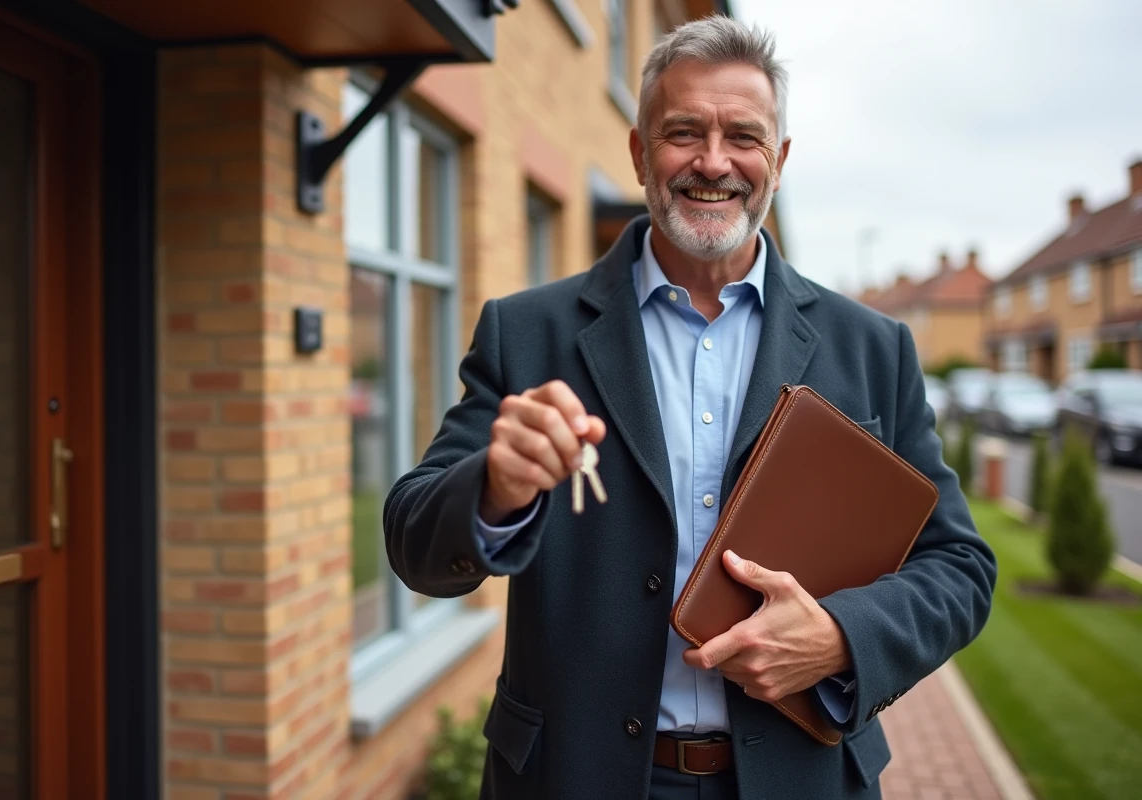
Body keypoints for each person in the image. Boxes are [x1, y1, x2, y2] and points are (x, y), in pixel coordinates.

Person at [384, 15, 996, 800]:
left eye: (743, 136)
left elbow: (961, 568)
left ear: (777, 160)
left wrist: (841, 639)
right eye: (683, 132)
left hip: (796, 778)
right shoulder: (526, 332)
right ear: (640, 153)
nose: (713, 162)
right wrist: (494, 488)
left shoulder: (873, 347)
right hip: (575, 778)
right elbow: (413, 544)